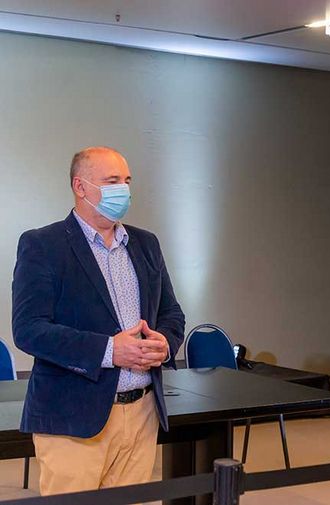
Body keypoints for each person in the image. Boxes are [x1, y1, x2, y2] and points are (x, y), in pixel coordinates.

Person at [12, 146, 185, 495]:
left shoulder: (146, 244)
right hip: (72, 418)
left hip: (142, 413)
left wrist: (164, 342)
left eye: (127, 181)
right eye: (112, 181)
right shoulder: (43, 245)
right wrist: (109, 350)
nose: (123, 189)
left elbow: (172, 313)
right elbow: (29, 329)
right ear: (81, 186)